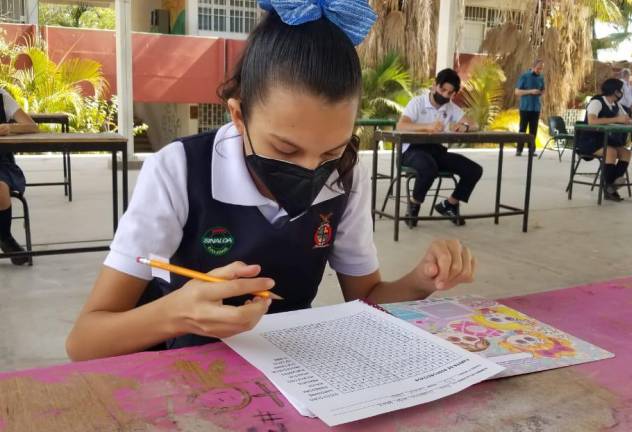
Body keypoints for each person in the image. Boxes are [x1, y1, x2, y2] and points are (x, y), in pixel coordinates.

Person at [66, 2, 477, 361]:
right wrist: (177, 312)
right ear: (238, 115)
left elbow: (365, 298)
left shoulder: (348, 175)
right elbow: (85, 342)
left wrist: (421, 281)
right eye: (285, 150)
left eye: (331, 150)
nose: (313, 170)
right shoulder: (179, 169)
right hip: (189, 369)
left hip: (297, 370)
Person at [396, 68, 481, 227]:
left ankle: (449, 204)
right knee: (429, 167)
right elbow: (400, 126)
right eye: (443, 90)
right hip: (411, 151)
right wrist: (427, 127)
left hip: (436, 150)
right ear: (435, 86)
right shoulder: (418, 102)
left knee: (473, 169)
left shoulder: (451, 107)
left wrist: (465, 127)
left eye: (450, 93)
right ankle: (413, 207)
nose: (445, 95)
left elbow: (475, 124)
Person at [576, 78, 632, 202]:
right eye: (620, 90)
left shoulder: (616, 105)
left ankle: (611, 186)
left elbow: (625, 118)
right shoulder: (597, 102)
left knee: (626, 153)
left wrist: (628, 120)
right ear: (614, 90)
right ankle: (609, 187)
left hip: (606, 139)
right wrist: (616, 120)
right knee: (611, 152)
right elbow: (592, 121)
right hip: (590, 141)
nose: (621, 92)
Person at [0, 87, 39, 265]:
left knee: (0, 186)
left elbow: (32, 126)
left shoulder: (2, 96)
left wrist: (10, 128)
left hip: (1, 162)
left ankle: (5, 237)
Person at [514, 59, 545, 156]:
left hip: (536, 108)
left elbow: (543, 90)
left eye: (541, 69)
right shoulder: (525, 76)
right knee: (522, 129)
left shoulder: (541, 77)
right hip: (525, 107)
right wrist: (531, 91)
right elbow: (517, 92)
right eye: (538, 68)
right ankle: (519, 150)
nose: (539, 70)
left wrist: (540, 92)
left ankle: (531, 150)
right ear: (534, 66)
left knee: (533, 130)